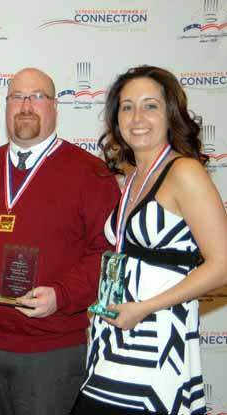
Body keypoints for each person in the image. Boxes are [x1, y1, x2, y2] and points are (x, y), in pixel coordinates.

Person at [0, 67, 120, 415]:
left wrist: (61, 295)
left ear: (55, 106)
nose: (26, 106)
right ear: (6, 106)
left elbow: (109, 255)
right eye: (17, 97)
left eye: (37, 97)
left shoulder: (91, 174)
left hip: (51, 348)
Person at [73, 66, 227, 415]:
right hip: (113, 341)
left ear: (170, 113)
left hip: (156, 346)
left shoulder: (185, 172)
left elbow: (222, 267)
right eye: (127, 107)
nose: (137, 117)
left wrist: (143, 308)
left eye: (150, 106)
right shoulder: (133, 177)